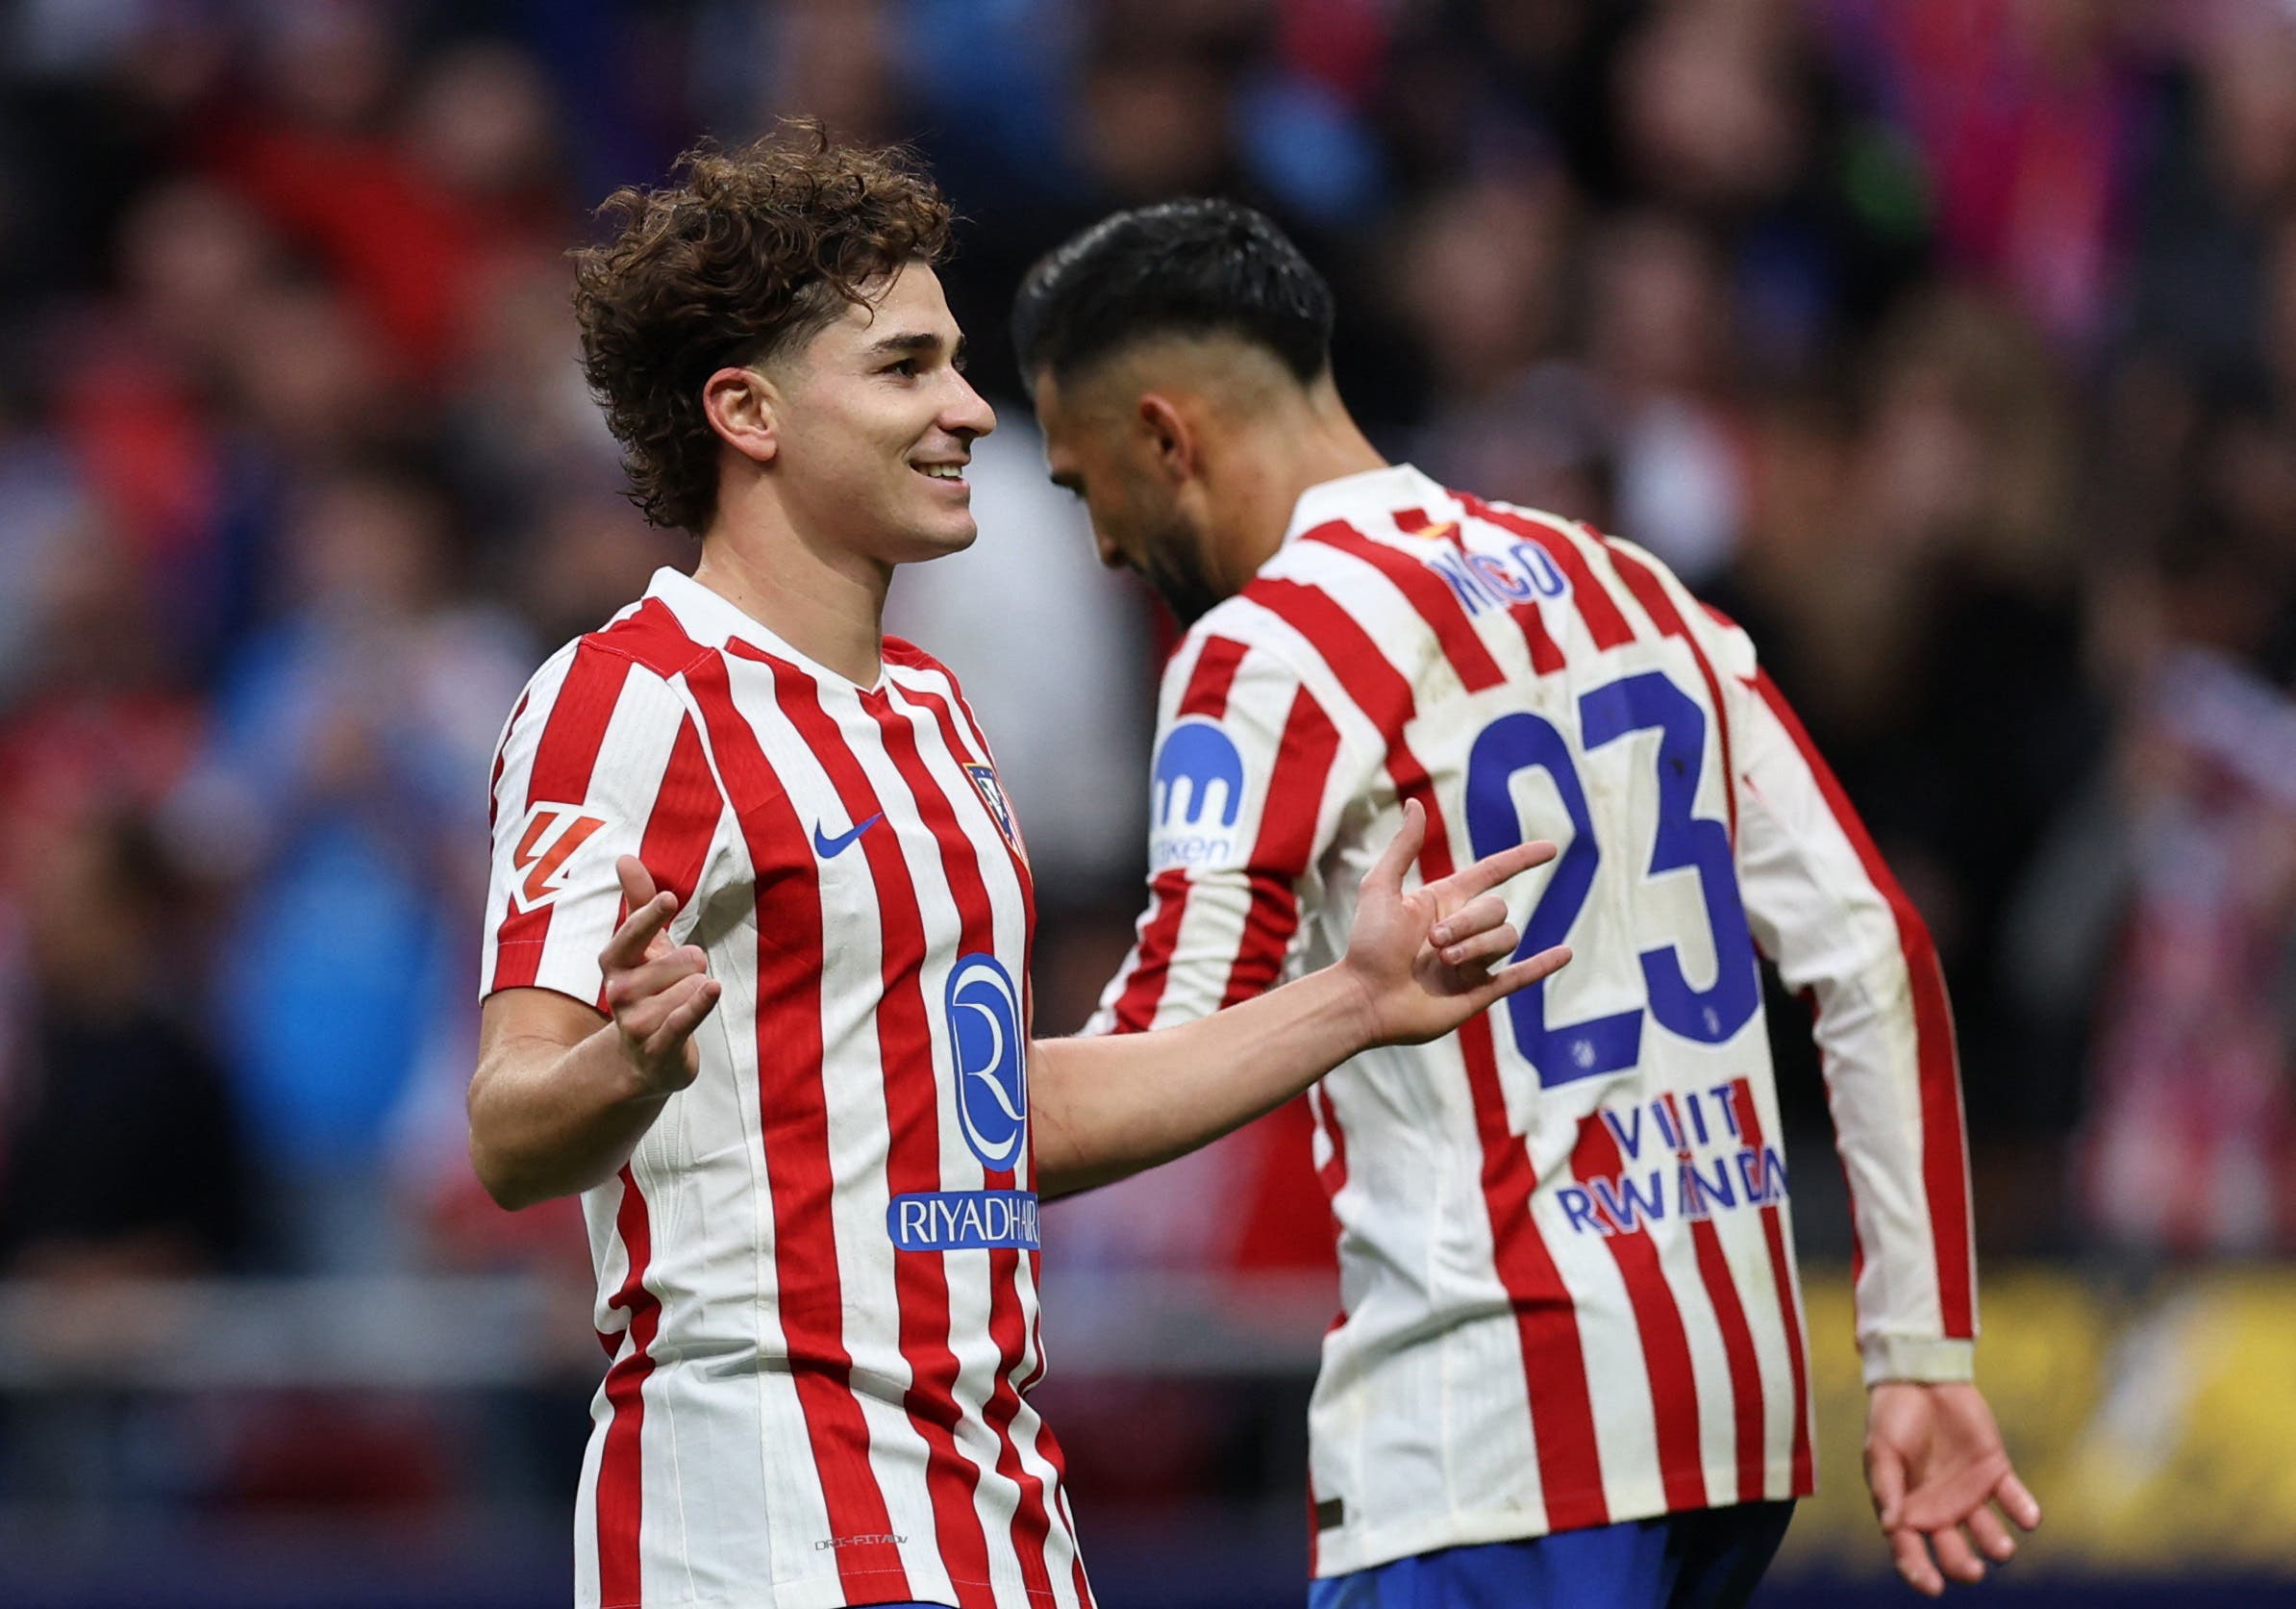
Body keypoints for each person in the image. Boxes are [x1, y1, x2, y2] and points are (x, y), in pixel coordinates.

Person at [465, 130, 1570, 1609]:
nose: (973, 411)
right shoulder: (634, 701)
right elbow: (509, 1124)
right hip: (763, 1507)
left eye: (958, 364)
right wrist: (626, 1065)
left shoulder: (930, 711)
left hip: (992, 1498)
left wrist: (1356, 1000)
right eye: (908, 368)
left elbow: (1002, 1119)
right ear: (748, 409)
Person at [1012, 199, 2042, 1607]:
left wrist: (860, 1098)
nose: (1106, 552)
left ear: (1163, 438)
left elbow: (1165, 1051)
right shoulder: (1633, 585)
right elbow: (1874, 949)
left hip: (1488, 1434)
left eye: (1083, 491)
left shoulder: (1268, 647)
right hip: (1726, 1427)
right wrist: (1920, 1347)